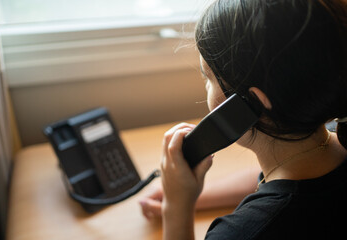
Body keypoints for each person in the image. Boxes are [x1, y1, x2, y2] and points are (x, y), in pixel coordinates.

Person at [139, 0, 347, 239]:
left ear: (253, 101)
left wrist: (176, 209)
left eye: (208, 77)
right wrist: (192, 195)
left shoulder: (242, 232)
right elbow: (277, 179)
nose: (206, 85)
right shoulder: (329, 138)